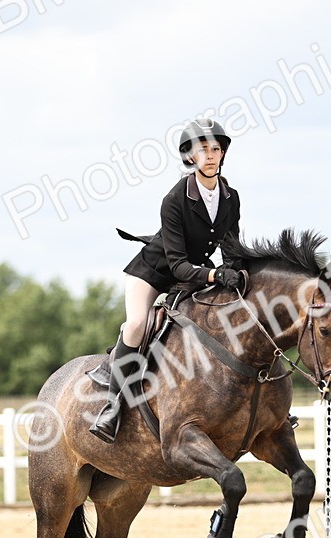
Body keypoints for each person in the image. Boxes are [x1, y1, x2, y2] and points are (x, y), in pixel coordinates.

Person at [90, 118, 245, 443]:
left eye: (216, 149)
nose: (211, 155)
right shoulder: (174, 200)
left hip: (197, 273)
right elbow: (177, 267)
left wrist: (237, 272)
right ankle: (113, 406)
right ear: (190, 157)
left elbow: (231, 247)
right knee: (136, 325)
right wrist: (217, 273)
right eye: (203, 150)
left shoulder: (230, 198)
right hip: (156, 271)